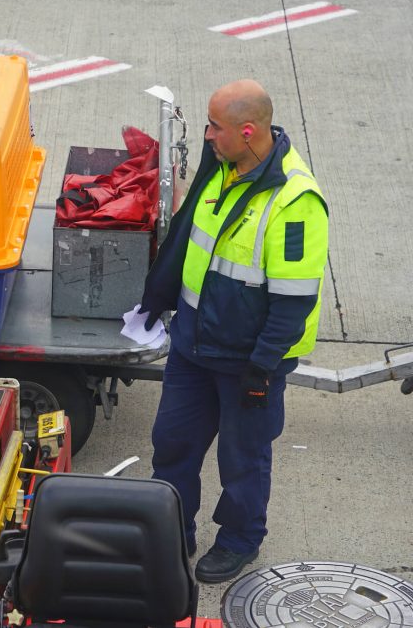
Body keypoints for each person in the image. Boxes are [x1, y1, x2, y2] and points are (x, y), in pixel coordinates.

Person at [139, 79, 328, 583]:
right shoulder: (221, 168)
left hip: (247, 362)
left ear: (248, 132)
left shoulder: (295, 202)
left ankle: (240, 540)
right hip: (194, 347)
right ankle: (171, 529)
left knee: (242, 461)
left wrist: (262, 368)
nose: (206, 135)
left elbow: (293, 303)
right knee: (172, 444)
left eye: (214, 127)